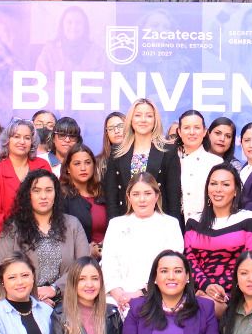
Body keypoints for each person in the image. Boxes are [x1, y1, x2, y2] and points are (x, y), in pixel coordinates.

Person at [0, 169, 90, 302]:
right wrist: (34, 296)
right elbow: (3, 270)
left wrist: (54, 289)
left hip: (67, 300)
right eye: (37, 190)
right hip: (23, 300)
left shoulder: (73, 224)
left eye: (48, 190)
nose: (43, 196)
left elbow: (84, 265)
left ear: (56, 193)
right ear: (28, 195)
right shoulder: (13, 228)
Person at [184, 163, 252, 312]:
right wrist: (206, 286)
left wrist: (218, 293)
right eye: (213, 184)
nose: (218, 189)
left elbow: (251, 263)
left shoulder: (248, 219)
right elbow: (189, 261)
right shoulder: (193, 222)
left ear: (235, 191)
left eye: (225, 184)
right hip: (199, 291)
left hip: (236, 294)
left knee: (203, 307)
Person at [100, 172, 183, 312]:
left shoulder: (170, 224)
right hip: (117, 299)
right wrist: (119, 295)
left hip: (157, 297)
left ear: (156, 196)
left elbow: (170, 269)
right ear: (128, 197)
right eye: (136, 194)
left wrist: (139, 294)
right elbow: (108, 267)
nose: (142, 199)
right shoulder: (116, 225)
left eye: (147, 193)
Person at [0, 119, 52, 245]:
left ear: (32, 142)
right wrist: (11, 246)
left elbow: (52, 204)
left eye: (27, 138)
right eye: (16, 136)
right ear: (7, 140)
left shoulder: (43, 166)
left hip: (43, 241)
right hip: (8, 246)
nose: (22, 142)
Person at [102, 99, 173, 220]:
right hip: (125, 222)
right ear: (131, 120)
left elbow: (173, 195)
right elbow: (111, 195)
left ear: (155, 120)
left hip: (159, 222)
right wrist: (113, 226)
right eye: (138, 115)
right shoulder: (117, 151)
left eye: (149, 116)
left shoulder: (168, 150)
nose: (143, 120)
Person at [163, 109, 222, 224]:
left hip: (205, 224)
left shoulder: (215, 162)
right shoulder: (168, 159)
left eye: (197, 127)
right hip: (171, 222)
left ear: (205, 131)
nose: (192, 132)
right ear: (179, 132)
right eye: (186, 128)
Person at [59, 145, 106, 251]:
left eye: (88, 163)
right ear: (68, 169)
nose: (83, 168)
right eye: (77, 164)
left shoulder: (103, 191)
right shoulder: (61, 196)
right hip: (80, 261)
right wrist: (86, 250)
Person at [97, 111, 126, 176]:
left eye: (120, 126)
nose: (116, 131)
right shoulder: (98, 162)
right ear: (107, 134)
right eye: (111, 128)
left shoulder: (137, 156)